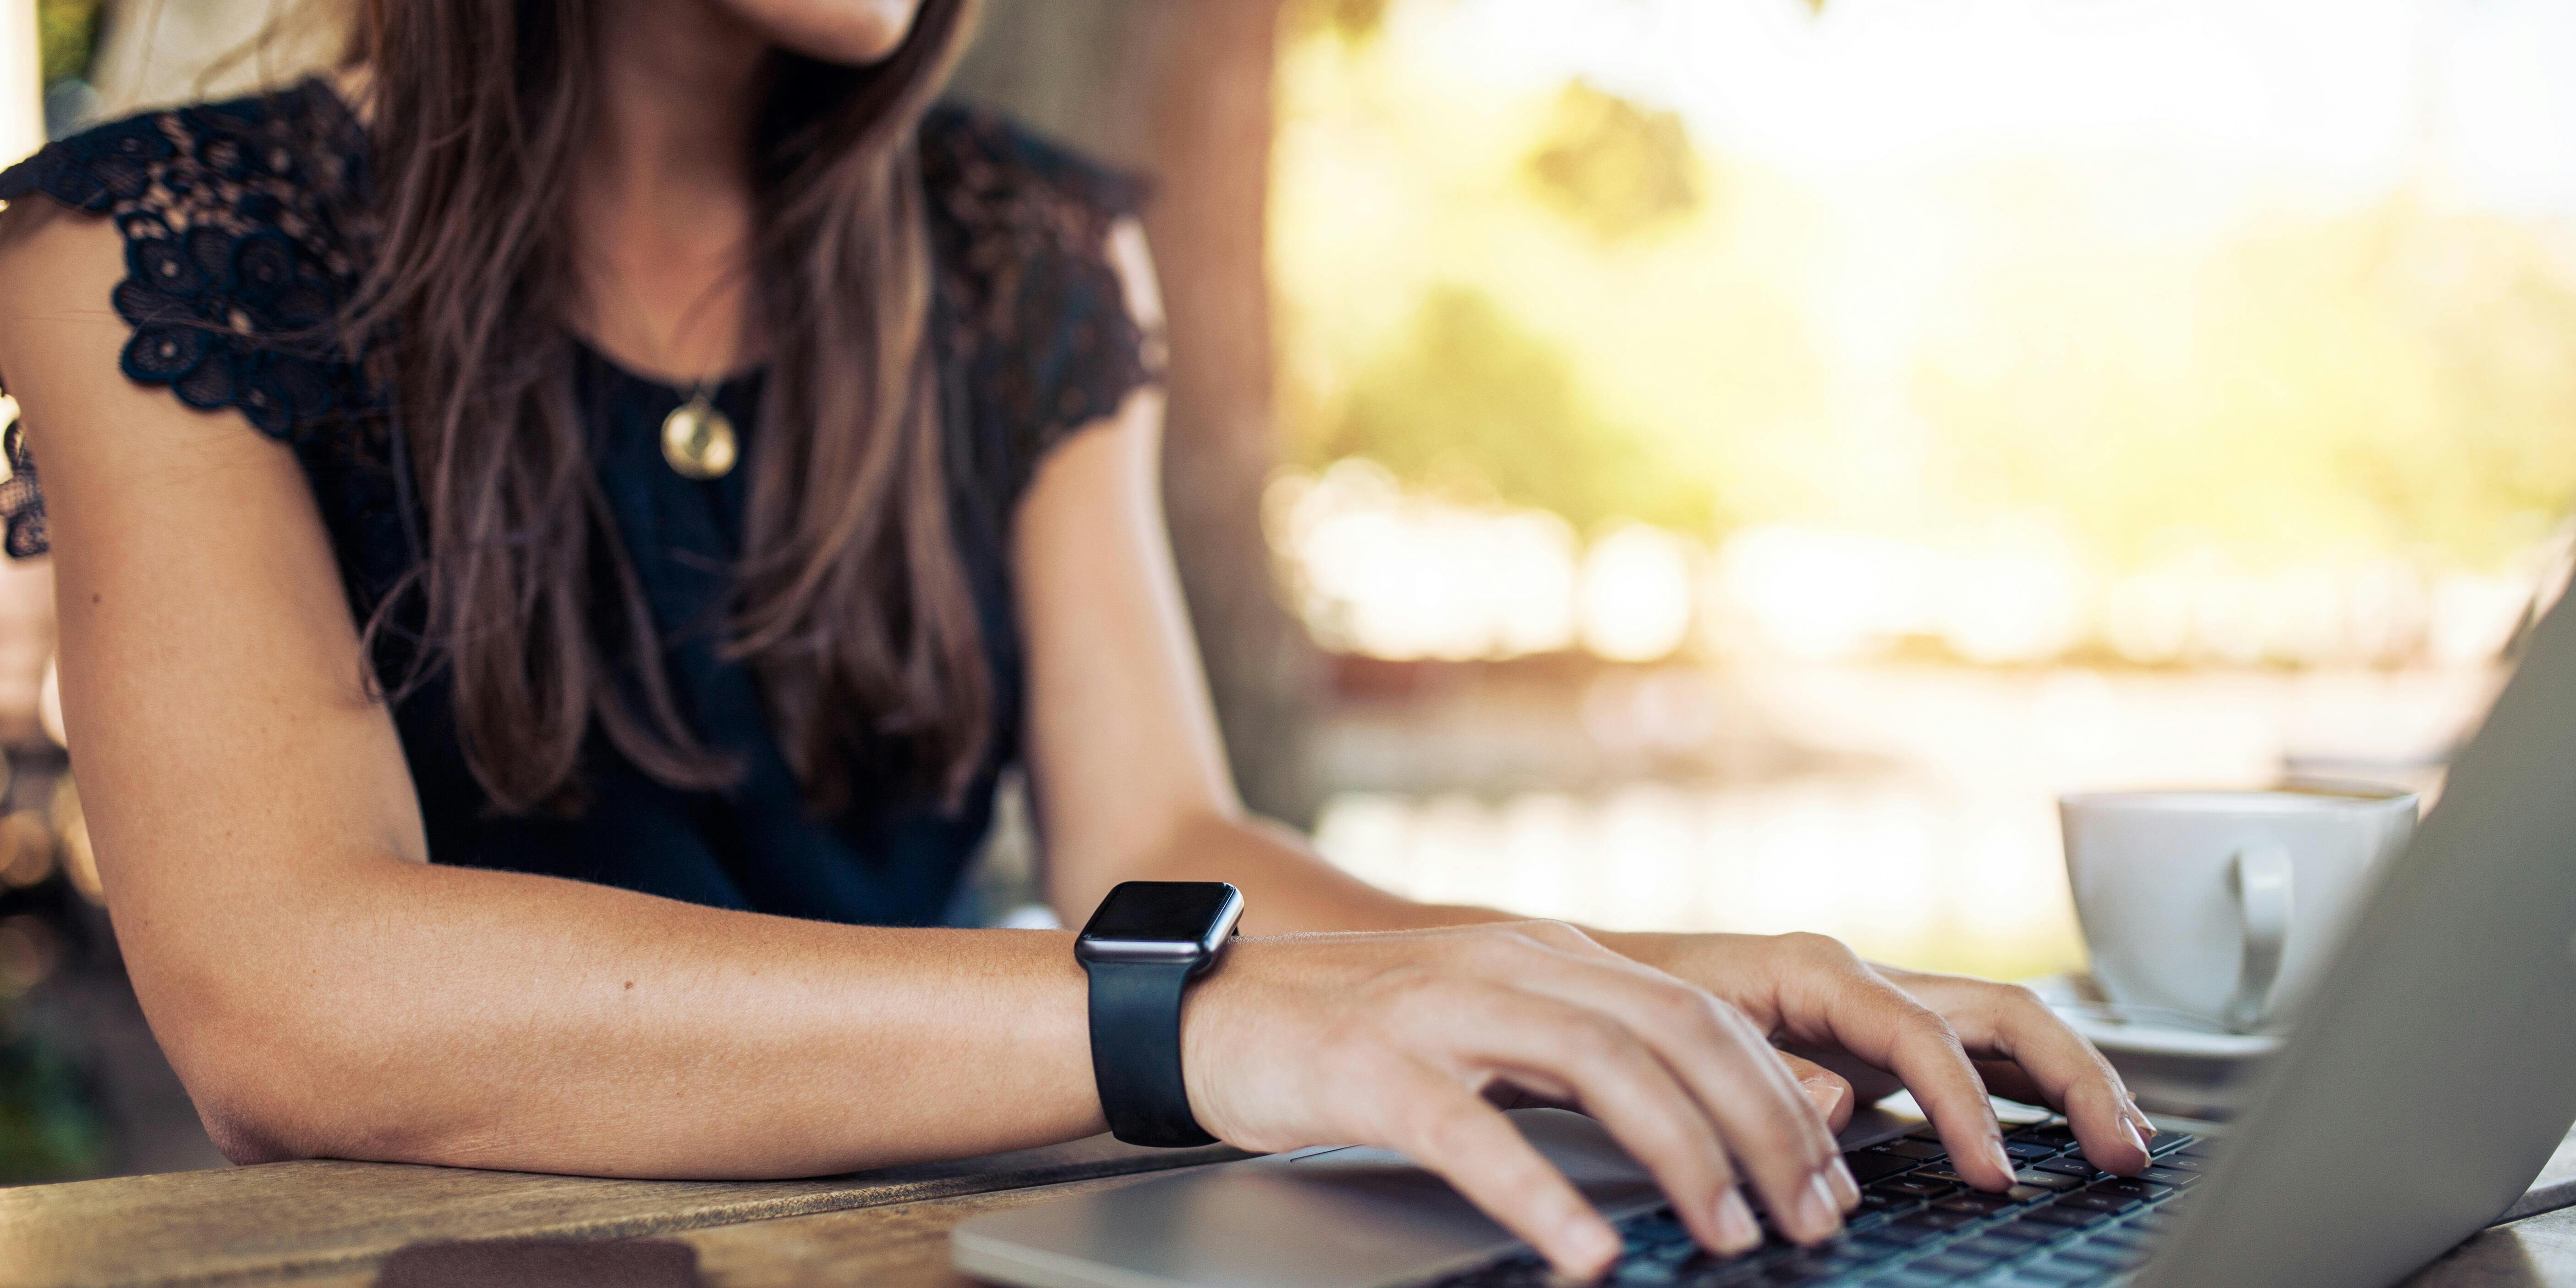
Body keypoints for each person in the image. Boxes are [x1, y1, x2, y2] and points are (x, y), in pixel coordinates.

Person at [0, 0, 2151, 1276]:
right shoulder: (148, 247)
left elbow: (1164, 845)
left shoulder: (1028, 252)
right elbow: (290, 991)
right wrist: (1183, 1026)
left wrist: (1626, 985)